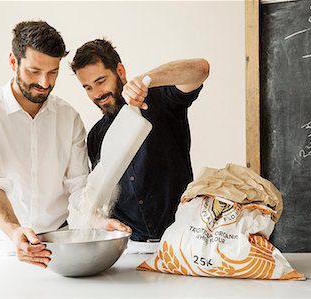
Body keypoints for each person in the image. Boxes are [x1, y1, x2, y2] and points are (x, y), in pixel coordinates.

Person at [0, 22, 129, 268]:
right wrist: (14, 230)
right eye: (34, 71)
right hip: (1, 245)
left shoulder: (68, 118)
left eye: (53, 72)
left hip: (56, 246)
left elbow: (79, 187)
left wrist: (98, 220)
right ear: (13, 62)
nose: (44, 82)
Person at [70, 38, 209, 245]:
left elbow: (201, 69)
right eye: (88, 87)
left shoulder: (160, 100)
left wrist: (148, 79)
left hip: (181, 241)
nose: (96, 94)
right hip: (128, 247)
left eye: (101, 81)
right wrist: (99, 221)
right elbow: (98, 195)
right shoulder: (96, 136)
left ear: (120, 71)